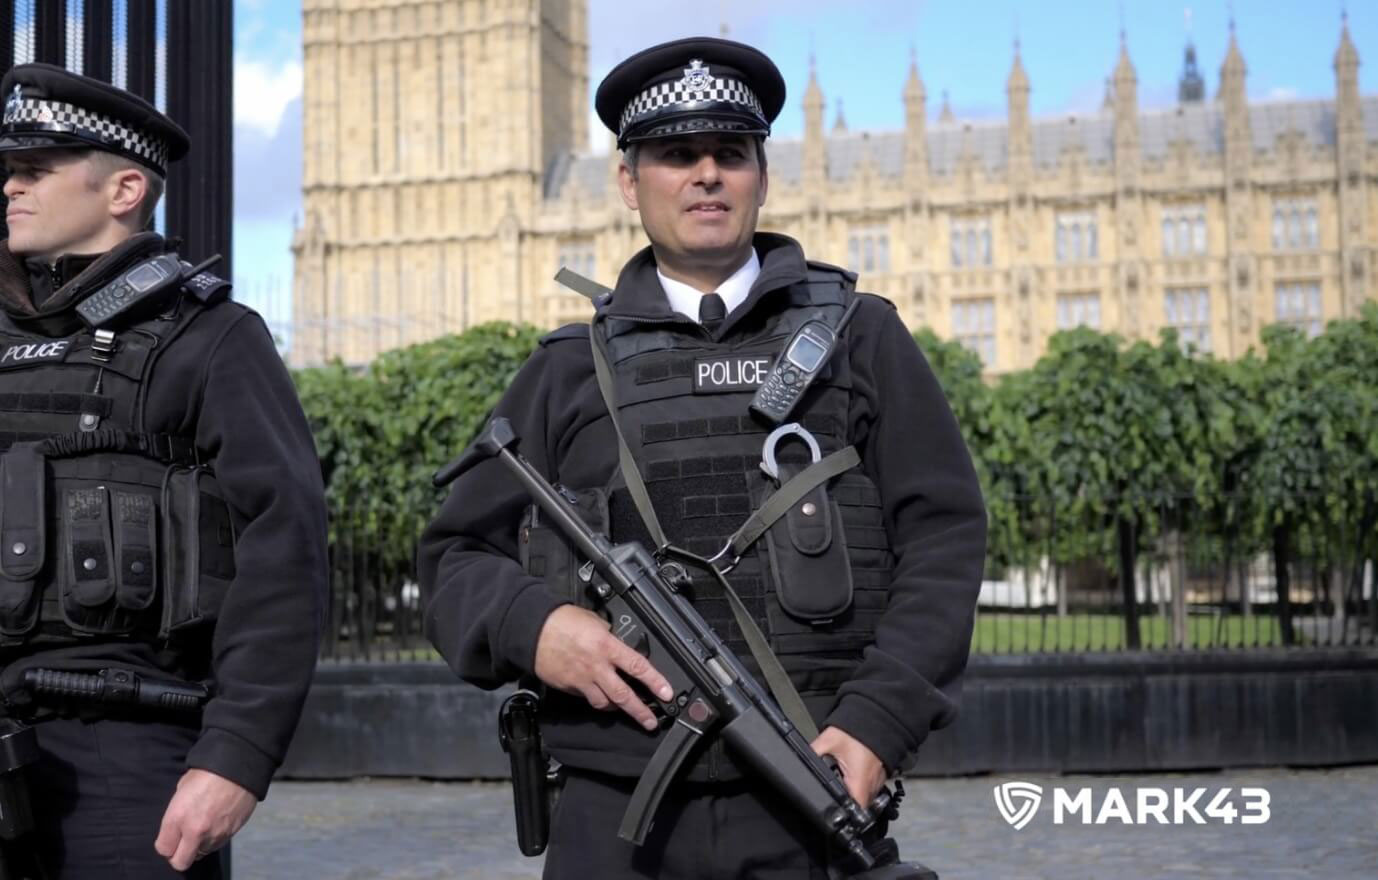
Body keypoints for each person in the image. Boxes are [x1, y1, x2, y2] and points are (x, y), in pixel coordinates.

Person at [419, 37, 986, 879]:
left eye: (730, 153)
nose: (706, 174)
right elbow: (455, 557)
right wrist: (534, 627)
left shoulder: (859, 339)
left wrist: (879, 721)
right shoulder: (568, 369)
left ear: (762, 172)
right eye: (677, 155)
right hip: (615, 813)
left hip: (812, 788)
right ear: (628, 181)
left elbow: (943, 539)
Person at [0, 63, 327, 878]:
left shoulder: (210, 338)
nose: (11, 187)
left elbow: (283, 553)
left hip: (127, 752)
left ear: (124, 190)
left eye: (34, 171)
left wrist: (236, 755)